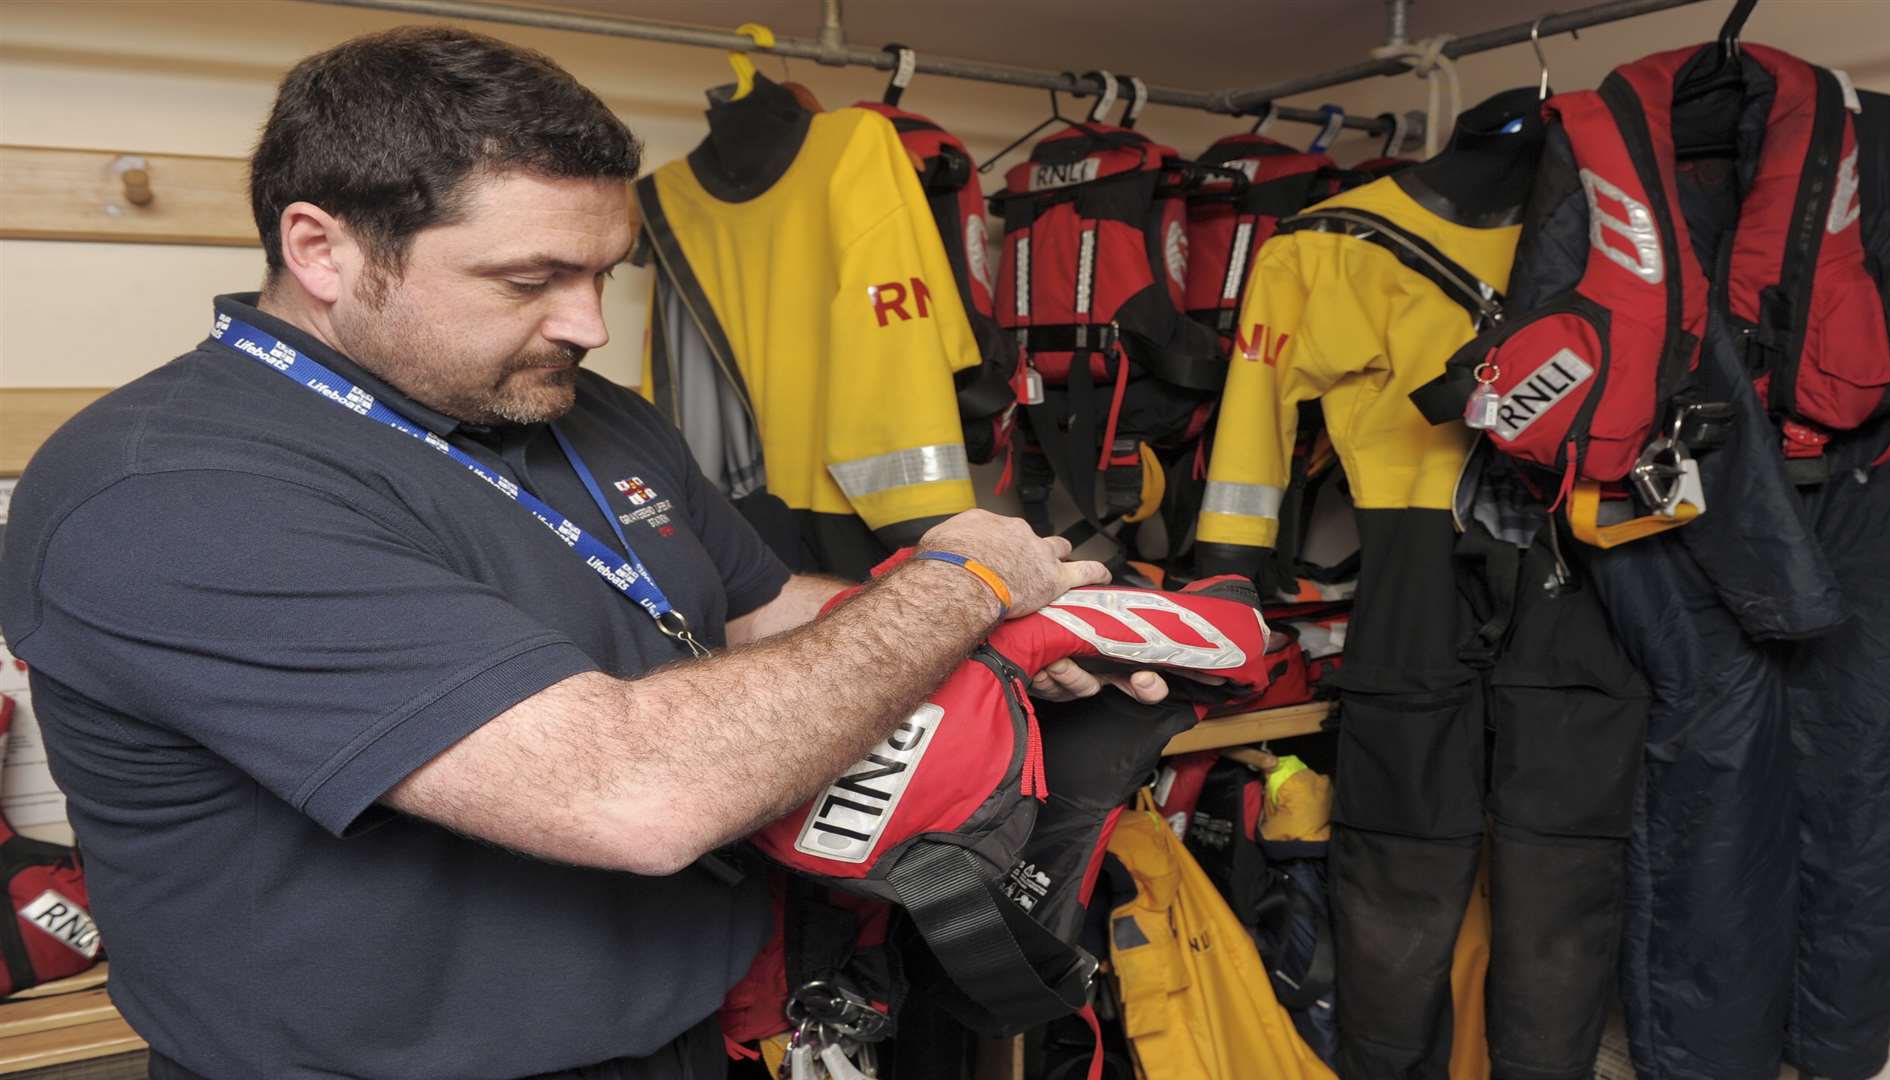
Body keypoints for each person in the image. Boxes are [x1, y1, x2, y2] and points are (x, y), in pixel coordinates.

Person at [0, 27, 1165, 1080]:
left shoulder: (573, 404)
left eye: (602, 270)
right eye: (529, 278)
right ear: (323, 249)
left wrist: (1018, 633)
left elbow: (757, 609)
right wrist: (955, 587)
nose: (588, 323)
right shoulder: (165, 494)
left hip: (687, 1038)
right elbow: (633, 794)